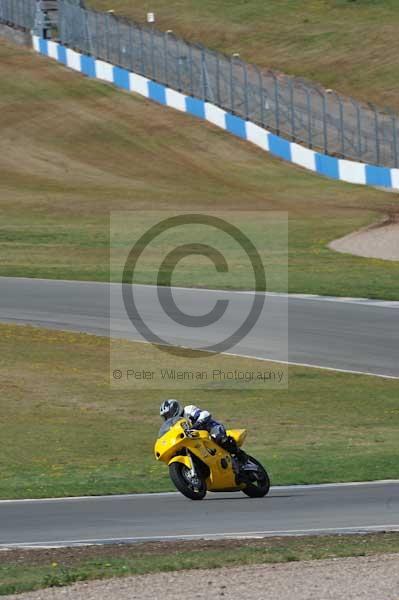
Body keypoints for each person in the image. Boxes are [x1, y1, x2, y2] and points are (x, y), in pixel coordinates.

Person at [159, 399, 246, 463]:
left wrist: (198, 423)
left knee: (221, 439)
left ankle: (242, 457)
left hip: (209, 429)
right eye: (166, 416)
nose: (168, 417)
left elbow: (205, 414)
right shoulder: (173, 425)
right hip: (195, 439)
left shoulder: (188, 410)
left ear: (175, 408)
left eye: (169, 414)